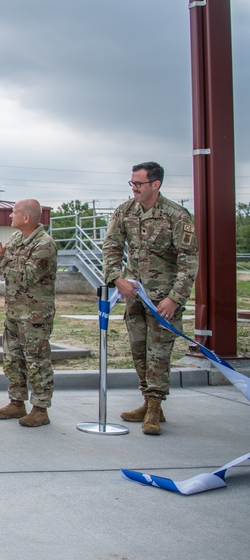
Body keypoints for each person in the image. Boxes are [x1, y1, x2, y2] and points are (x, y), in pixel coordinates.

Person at [103, 161, 198, 435]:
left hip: (162, 300)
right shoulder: (124, 212)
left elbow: (188, 261)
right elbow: (111, 246)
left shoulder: (176, 215)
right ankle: (147, 401)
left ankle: (155, 407)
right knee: (139, 351)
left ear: (155, 184)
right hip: (135, 295)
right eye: (131, 183)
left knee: (158, 353)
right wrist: (116, 279)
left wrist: (175, 299)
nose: (133, 188)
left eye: (139, 184)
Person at [0, 199, 57, 427]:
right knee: (13, 359)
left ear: (26, 218)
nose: (9, 217)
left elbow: (27, 275)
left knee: (36, 360)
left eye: (13, 213)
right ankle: (16, 402)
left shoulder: (44, 244)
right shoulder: (17, 239)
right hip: (15, 311)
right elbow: (4, 269)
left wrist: (2, 259)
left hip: (35, 315)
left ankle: (40, 408)